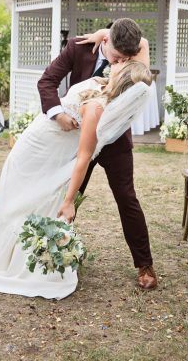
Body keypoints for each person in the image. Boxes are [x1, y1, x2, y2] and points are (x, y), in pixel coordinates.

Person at [0, 61, 152, 299]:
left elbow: (84, 157)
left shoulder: (98, 109)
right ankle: (10, 257)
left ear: (124, 79)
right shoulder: (99, 86)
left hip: (48, 152)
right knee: (21, 200)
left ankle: (24, 258)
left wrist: (70, 200)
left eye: (120, 65)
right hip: (36, 149)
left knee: (36, 201)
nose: (115, 64)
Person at [37, 18, 158, 289]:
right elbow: (47, 81)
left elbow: (143, 44)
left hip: (115, 138)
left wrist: (107, 31)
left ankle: (144, 264)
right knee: (69, 195)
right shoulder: (78, 48)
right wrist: (57, 115)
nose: (123, 62)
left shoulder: (131, 49)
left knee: (127, 198)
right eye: (118, 57)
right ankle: (56, 257)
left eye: (127, 57)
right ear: (106, 43)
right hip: (80, 135)